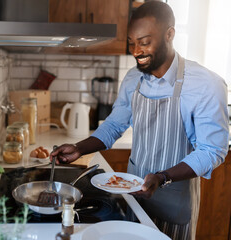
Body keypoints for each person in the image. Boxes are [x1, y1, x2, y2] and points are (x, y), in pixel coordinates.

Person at [50, 1, 229, 240]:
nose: (136, 51)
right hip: (133, 196)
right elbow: (114, 125)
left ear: (170, 34)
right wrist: (79, 149)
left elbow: (212, 150)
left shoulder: (206, 84)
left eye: (144, 42)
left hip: (172, 200)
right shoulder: (134, 78)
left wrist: (162, 177)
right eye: (131, 43)